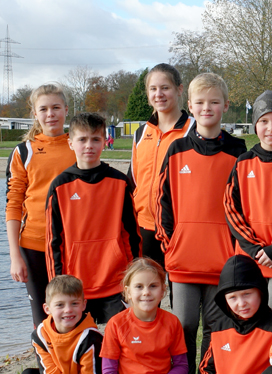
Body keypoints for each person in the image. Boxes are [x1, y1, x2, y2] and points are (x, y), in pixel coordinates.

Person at [155, 72, 247, 374]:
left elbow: (243, 204)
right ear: (190, 106)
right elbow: (162, 203)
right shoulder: (177, 149)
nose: (207, 108)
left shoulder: (238, 151)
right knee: (183, 327)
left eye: (214, 102)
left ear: (225, 105)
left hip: (222, 262)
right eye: (200, 102)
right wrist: (172, 245)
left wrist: (238, 251)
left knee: (214, 327)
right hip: (183, 262)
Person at [45, 113, 141, 324]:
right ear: (71, 142)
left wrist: (134, 276)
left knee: (119, 347)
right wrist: (58, 282)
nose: (89, 145)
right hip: (76, 286)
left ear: (104, 141)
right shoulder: (60, 185)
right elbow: (53, 241)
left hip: (116, 282)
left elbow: (132, 235)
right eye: (82, 139)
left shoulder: (119, 182)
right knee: (81, 348)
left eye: (96, 139)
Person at [225, 91, 272, 313]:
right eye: (264, 121)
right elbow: (231, 209)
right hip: (250, 261)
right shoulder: (243, 162)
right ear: (255, 125)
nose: (271, 128)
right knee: (250, 324)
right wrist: (254, 249)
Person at [6, 83, 76, 327]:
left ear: (66, 110)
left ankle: (77, 363)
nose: (51, 114)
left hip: (73, 246)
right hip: (34, 245)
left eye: (56, 107)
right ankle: (46, 365)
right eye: (44, 109)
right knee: (43, 318)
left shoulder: (77, 146)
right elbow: (13, 205)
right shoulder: (24, 152)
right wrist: (15, 255)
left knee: (72, 313)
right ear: (35, 114)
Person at [128, 64, 194, 268]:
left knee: (181, 296)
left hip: (179, 228)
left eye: (165, 87)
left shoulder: (193, 130)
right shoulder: (141, 133)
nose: (159, 94)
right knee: (146, 295)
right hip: (144, 227)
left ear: (179, 89)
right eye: (153, 89)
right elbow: (133, 180)